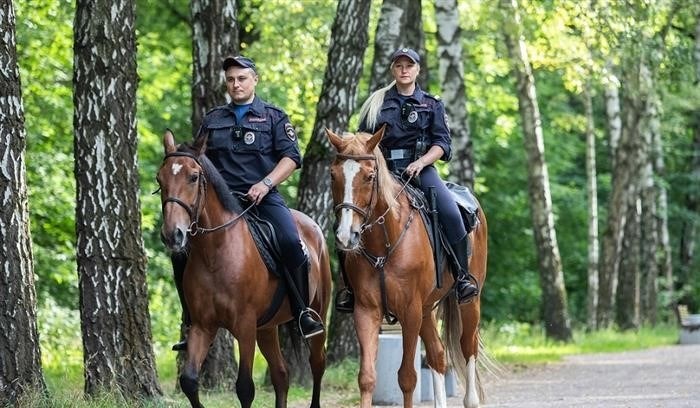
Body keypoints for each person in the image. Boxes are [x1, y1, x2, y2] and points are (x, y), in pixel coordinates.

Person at [172, 55, 324, 350]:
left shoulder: (274, 116)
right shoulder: (213, 119)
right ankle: (191, 318)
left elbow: (292, 158)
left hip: (263, 199)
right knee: (181, 252)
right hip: (222, 203)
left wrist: (266, 183)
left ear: (255, 79)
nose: (236, 84)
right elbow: (198, 159)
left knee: (292, 242)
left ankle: (303, 311)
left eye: (241, 78)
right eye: (230, 79)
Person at [334, 48, 479, 313]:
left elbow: (442, 144)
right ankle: (349, 288)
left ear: (417, 70)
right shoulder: (376, 103)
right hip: (381, 173)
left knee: (450, 212)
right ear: (393, 69)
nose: (404, 69)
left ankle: (461, 278)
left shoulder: (432, 104)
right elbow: (362, 144)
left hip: (420, 170)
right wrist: (376, 169)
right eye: (399, 65)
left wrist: (422, 162)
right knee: (348, 217)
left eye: (409, 65)